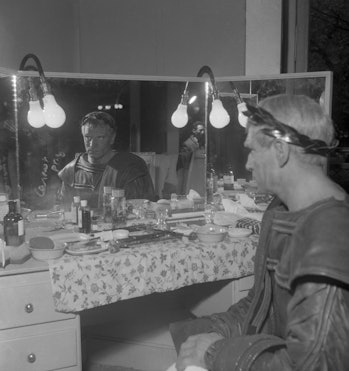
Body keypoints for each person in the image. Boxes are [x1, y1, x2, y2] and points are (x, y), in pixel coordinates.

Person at [169, 94, 349, 371]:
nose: (249, 163)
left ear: (280, 150)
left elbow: (317, 365)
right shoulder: (280, 211)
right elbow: (262, 305)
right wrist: (209, 333)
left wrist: (215, 351)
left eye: (252, 150)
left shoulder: (330, 233)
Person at [58, 111, 155, 208]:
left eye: (100, 138)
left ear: (112, 138)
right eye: (88, 137)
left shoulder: (130, 168)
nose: (92, 145)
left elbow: (141, 213)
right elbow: (63, 212)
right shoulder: (71, 171)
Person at [177, 121, 205, 195]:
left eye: (203, 130)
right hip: (188, 171)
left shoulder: (200, 142)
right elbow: (183, 158)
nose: (202, 132)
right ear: (194, 131)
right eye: (200, 130)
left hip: (198, 173)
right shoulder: (188, 143)